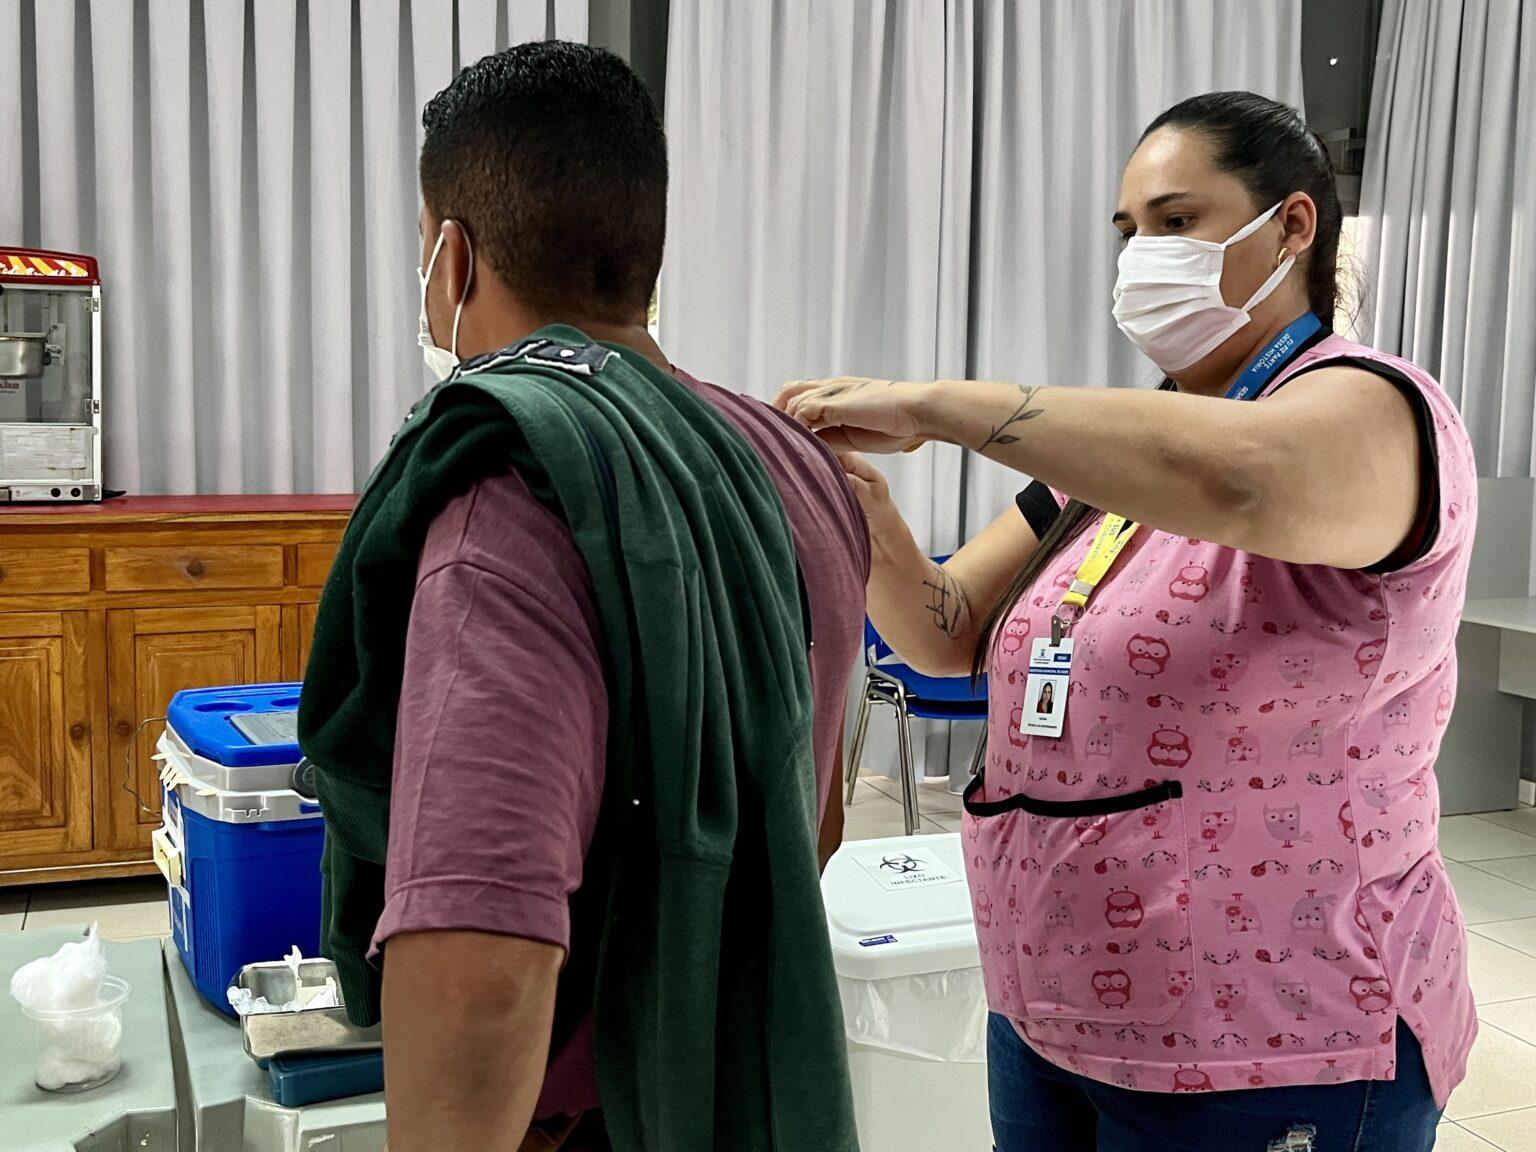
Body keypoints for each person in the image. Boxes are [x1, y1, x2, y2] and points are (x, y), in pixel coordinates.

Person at [778, 91, 1476, 1152]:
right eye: (1127, 231)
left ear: (1292, 226)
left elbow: (1244, 481)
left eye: (1177, 221)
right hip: (1055, 1007)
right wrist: (864, 513)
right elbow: (947, 627)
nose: (1142, 255)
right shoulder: (1095, 475)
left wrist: (934, 406)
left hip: (1270, 1032)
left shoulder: (1374, 406)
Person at [298, 43, 867, 1152]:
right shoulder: (787, 463)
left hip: (598, 1117)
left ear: (451, 258)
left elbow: (480, 966)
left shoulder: (511, 495)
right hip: (743, 1084)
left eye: (426, 251)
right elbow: (812, 823)